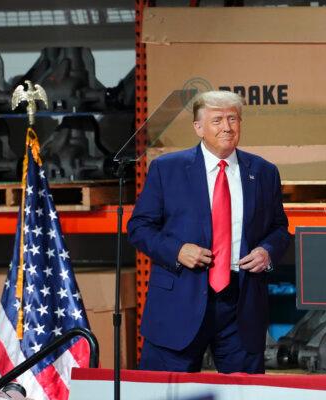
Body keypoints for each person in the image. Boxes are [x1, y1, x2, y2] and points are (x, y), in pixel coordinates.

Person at [128, 90, 290, 373]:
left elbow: (279, 228)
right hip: (180, 300)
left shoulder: (264, 172)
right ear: (198, 127)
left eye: (232, 119)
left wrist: (268, 251)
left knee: (244, 393)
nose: (227, 127)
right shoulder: (167, 169)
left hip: (241, 304)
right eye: (217, 120)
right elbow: (139, 227)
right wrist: (177, 250)